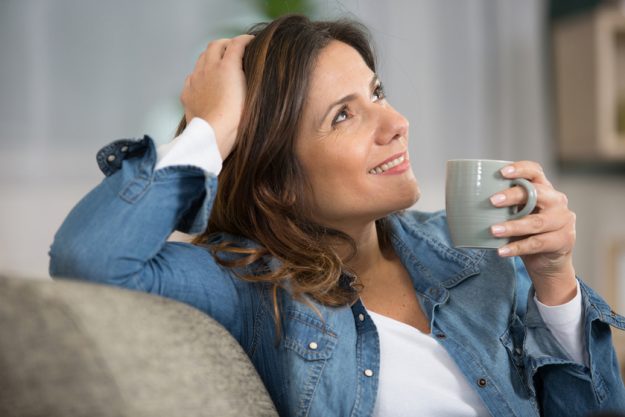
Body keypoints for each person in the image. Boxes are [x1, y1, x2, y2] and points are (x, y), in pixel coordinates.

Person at [49, 14, 625, 417]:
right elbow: (92, 258)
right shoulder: (253, 287)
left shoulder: (475, 248)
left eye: (376, 92)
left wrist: (555, 283)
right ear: (278, 178)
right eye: (343, 116)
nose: (395, 122)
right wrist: (214, 125)